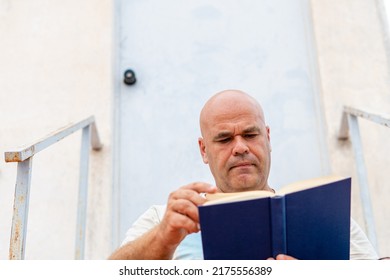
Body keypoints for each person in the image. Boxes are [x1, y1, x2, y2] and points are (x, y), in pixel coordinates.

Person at [109, 89, 378, 260]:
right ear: (204, 150)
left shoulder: (325, 218)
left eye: (250, 134)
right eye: (224, 139)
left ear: (268, 138)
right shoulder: (167, 219)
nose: (240, 147)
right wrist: (162, 238)